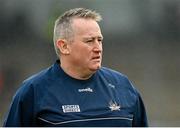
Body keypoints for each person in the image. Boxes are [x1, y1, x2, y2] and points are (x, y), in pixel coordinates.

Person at [3, 8, 148, 127]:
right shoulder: (33, 91)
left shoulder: (123, 86)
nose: (98, 48)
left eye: (100, 40)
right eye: (90, 41)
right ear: (64, 46)